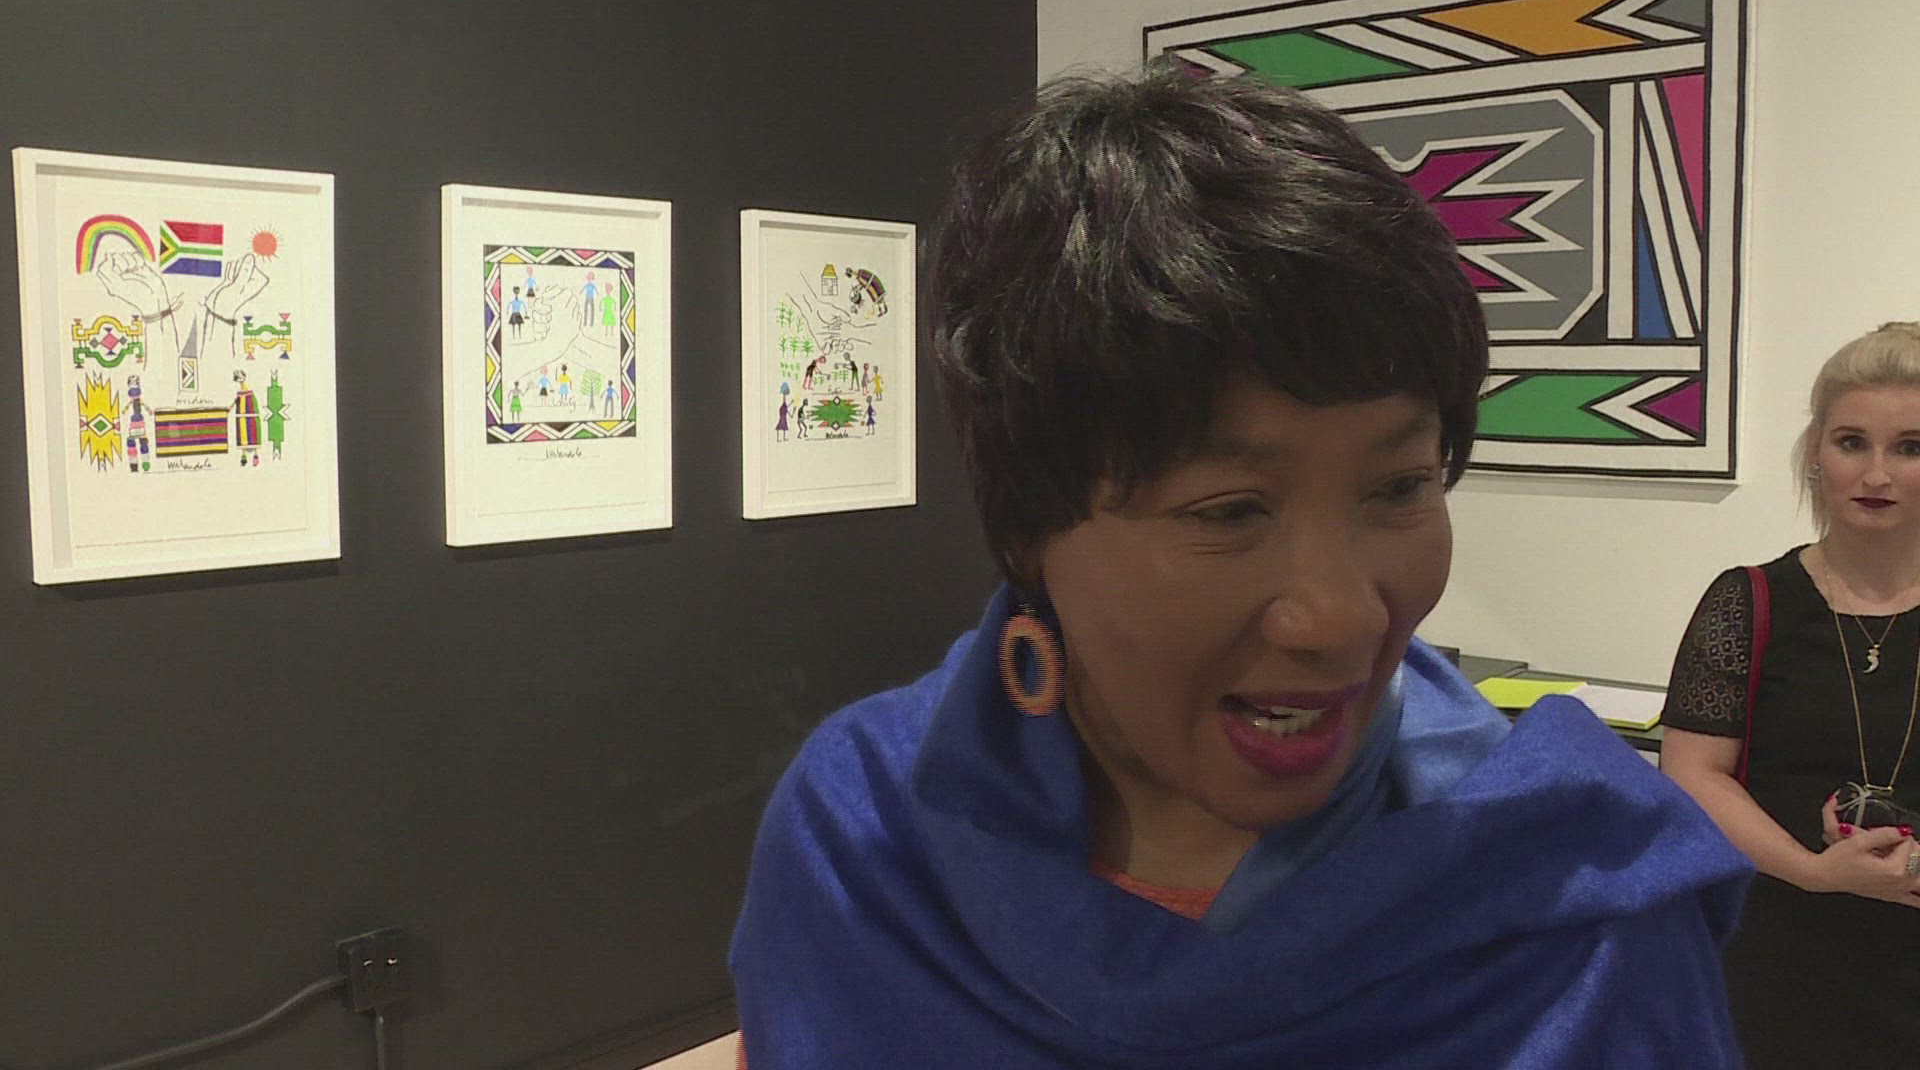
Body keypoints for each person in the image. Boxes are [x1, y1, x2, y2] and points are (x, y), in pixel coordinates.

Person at [729, 68, 1750, 1068]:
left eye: (1399, 487)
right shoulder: (865, 835)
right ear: (1030, 523)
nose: (1342, 618)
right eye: (1228, 512)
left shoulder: (1582, 888)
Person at [1661, 321, 1920, 1068]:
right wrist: (1813, 870)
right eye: (1852, 442)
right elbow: (1692, 773)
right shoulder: (1748, 601)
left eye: (1910, 447)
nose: (1877, 473)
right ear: (1815, 451)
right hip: (1784, 960)